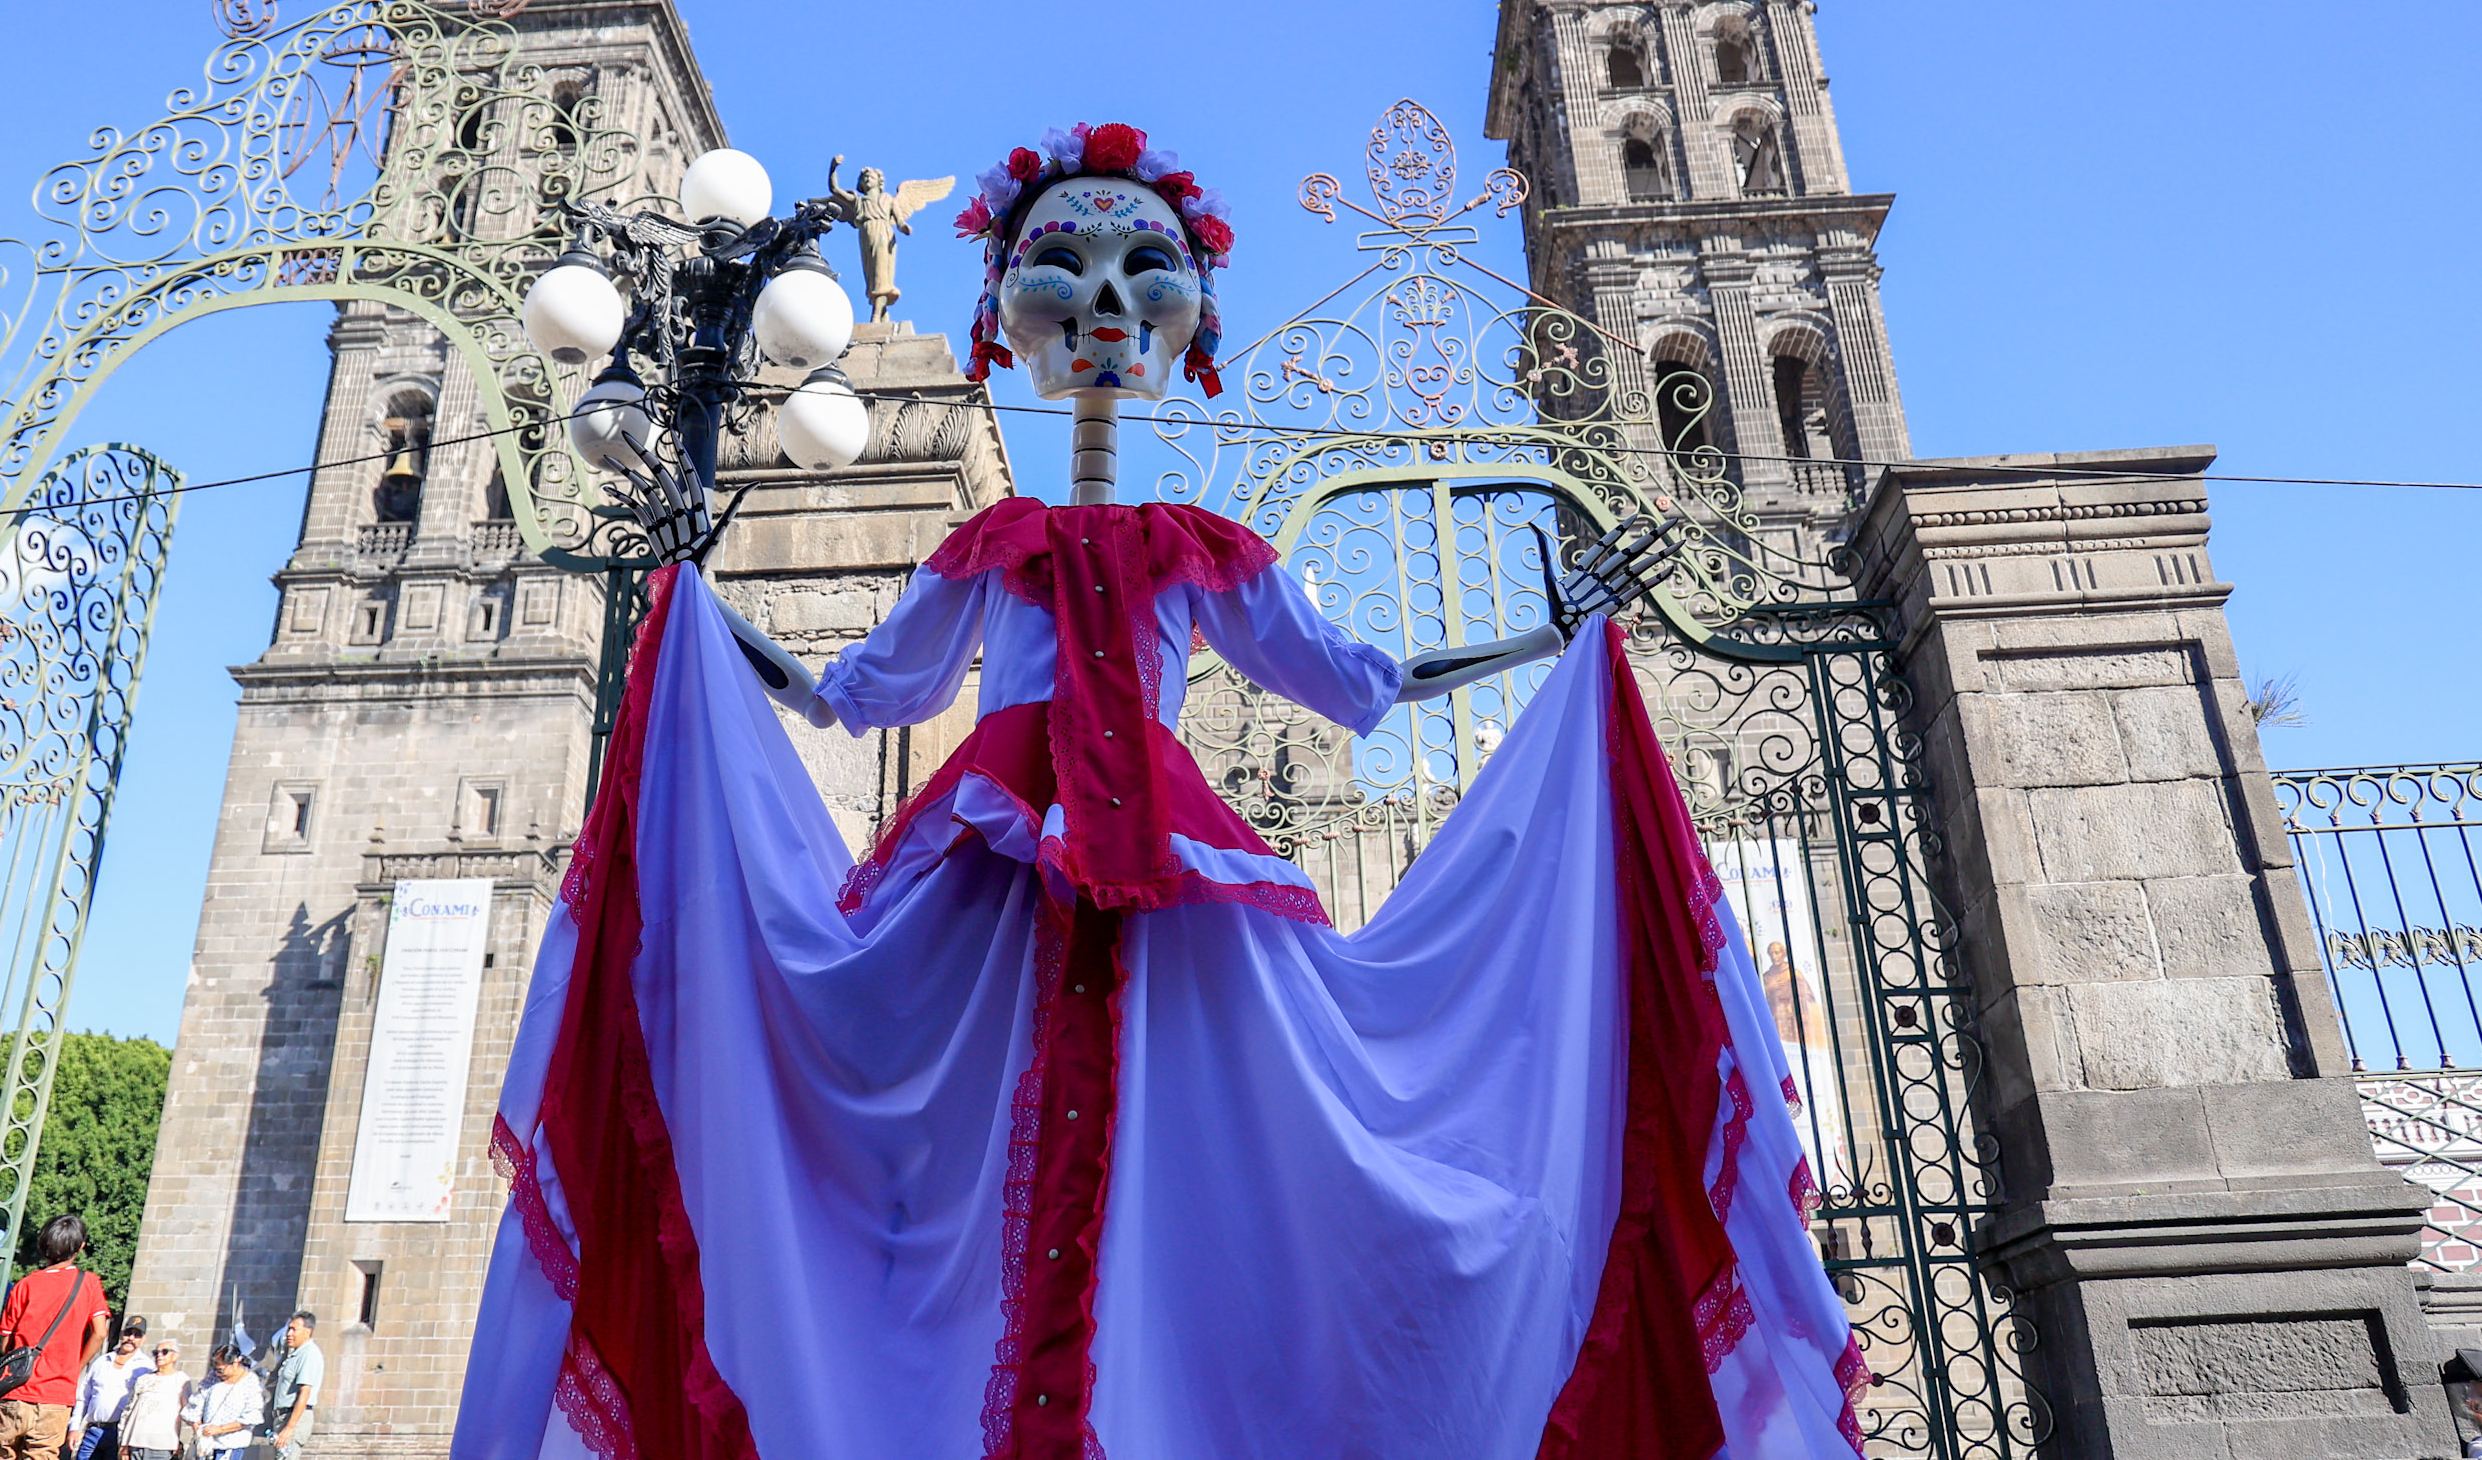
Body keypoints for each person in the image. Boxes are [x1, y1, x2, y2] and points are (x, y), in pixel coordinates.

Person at [455, 125, 1870, 1460]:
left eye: (1147, 272)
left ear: (1188, 313)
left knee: (1228, 1160)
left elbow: (1361, 682)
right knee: (932, 1138)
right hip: (990, 866)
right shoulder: (996, 543)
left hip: (1177, 882)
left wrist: (1546, 641)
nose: (1105, 307)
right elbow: (852, 696)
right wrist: (696, 606)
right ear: (1007, 310)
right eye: (1063, 272)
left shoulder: (1201, 548)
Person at [0, 1216, 109, 1460]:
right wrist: (76, 1367)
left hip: (14, 1391)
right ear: (81, 1247)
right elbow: (100, 1332)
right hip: (55, 1395)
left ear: (42, 1245)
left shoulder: (24, 1285)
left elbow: (6, 1344)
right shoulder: (88, 1283)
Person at [70, 1317, 151, 1460]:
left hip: (119, 1435)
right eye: (128, 1333)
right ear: (121, 1334)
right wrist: (74, 1428)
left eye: (137, 1335)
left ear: (143, 1339)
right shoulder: (101, 1362)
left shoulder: (146, 1367)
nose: (131, 1338)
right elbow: (83, 1397)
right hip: (92, 1431)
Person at [184, 1345, 264, 1460]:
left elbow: (251, 1416)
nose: (218, 1373)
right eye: (215, 1369)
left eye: (221, 1370)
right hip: (206, 1444)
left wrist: (220, 1429)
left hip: (231, 1444)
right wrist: (197, 1426)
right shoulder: (213, 1377)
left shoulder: (250, 1382)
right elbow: (197, 1402)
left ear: (235, 1363)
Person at [114, 1342, 190, 1460]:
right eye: (156, 1353)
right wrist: (123, 1442)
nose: (159, 1355)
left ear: (175, 1356)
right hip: (135, 1442)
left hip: (162, 1444)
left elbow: (188, 1412)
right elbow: (128, 1412)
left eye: (164, 1352)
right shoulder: (143, 1379)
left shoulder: (181, 1379)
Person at [267, 1312, 322, 1460]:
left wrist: (290, 1427)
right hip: (283, 1417)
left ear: (307, 1332)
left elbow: (305, 1393)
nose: (289, 1334)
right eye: (288, 1329)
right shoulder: (296, 1354)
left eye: (294, 1329)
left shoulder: (309, 1354)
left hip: (293, 1418)